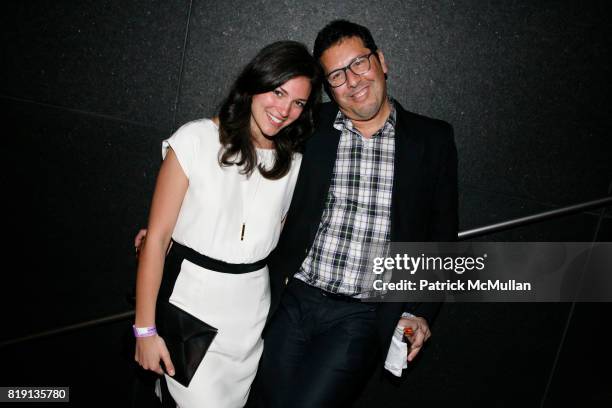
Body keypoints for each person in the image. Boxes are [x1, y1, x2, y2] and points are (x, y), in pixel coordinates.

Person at [252, 20, 458, 407]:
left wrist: (420, 311)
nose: (352, 81)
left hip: (360, 317)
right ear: (328, 87)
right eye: (336, 75)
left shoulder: (432, 139)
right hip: (292, 299)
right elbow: (252, 159)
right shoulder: (313, 126)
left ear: (381, 61)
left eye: (359, 63)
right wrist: (180, 224)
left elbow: (443, 233)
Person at [133, 40, 322, 408]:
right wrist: (144, 329)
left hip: (249, 322)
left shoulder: (293, 166)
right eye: (278, 91)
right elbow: (155, 240)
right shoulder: (196, 139)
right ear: (255, 82)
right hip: (190, 309)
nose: (284, 110)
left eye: (298, 103)